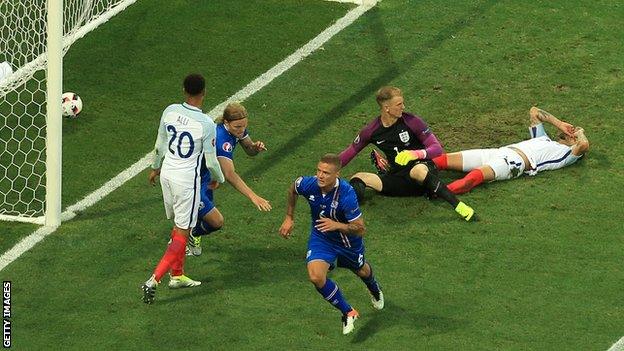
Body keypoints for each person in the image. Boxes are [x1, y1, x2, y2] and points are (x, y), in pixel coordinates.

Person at [141, 73, 225, 304]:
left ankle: (177, 275)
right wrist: (218, 179)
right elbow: (211, 161)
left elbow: (160, 144)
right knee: (183, 231)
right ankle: (154, 279)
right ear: (204, 93)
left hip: (167, 173)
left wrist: (155, 168)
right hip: (186, 181)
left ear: (184, 90)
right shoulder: (206, 124)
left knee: (179, 224)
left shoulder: (169, 111)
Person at [279, 153, 384, 335]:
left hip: (347, 242)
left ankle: (374, 288)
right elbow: (292, 190)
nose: (320, 176)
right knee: (315, 276)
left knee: (361, 270)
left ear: (337, 174)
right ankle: (348, 312)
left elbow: (360, 229)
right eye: (319, 171)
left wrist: (337, 225)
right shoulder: (308, 184)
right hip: (322, 237)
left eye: (326, 173)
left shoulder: (346, 194)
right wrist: (289, 217)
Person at [339, 86, 475, 221]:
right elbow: (350, 152)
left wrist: (416, 154)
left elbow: (437, 149)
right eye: (399, 104)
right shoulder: (371, 131)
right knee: (358, 178)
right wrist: (328, 170)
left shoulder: (412, 121)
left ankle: (459, 206)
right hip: (399, 178)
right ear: (386, 108)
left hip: (423, 172)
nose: (403, 107)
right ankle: (344, 210)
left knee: (418, 171)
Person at [432, 106, 589, 194]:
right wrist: (560, 124)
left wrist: (580, 132)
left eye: (574, 136)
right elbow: (534, 111)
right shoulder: (543, 138)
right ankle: (410, 170)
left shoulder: (566, 155)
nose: (572, 134)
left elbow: (583, 146)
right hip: (497, 152)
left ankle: (436, 192)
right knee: (442, 160)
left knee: (472, 179)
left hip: (513, 163)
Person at [186, 102, 271, 256]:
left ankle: (189, 234)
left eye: (244, 126)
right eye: (238, 127)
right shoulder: (221, 140)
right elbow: (230, 174)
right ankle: (185, 238)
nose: (242, 130)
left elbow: (249, 150)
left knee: (200, 216)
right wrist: (254, 197)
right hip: (192, 181)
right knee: (216, 221)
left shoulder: (236, 131)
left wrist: (255, 148)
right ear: (226, 122)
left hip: (206, 177)